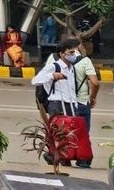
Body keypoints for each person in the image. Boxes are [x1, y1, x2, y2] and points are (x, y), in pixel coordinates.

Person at [32, 38, 84, 166]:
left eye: (75, 52)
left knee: (71, 134)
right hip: (57, 104)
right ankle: (54, 157)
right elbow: (35, 80)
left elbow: (72, 89)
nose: (74, 55)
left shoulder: (72, 68)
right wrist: (52, 76)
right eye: (71, 52)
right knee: (59, 135)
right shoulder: (54, 66)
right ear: (62, 53)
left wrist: (76, 104)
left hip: (71, 105)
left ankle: (66, 157)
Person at [71, 44, 99, 168]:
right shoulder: (85, 61)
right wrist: (92, 97)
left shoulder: (58, 59)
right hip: (82, 102)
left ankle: (65, 157)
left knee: (66, 130)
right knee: (83, 132)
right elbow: (95, 83)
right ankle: (83, 159)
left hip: (65, 102)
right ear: (78, 46)